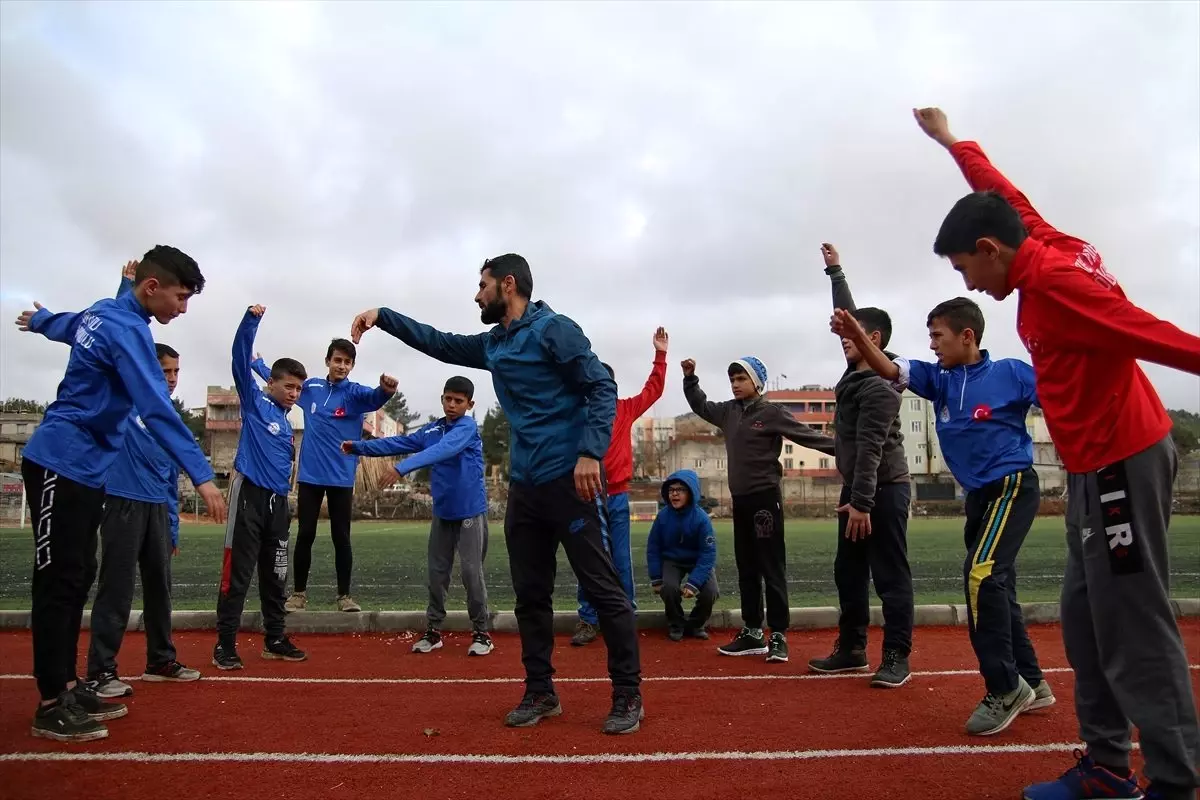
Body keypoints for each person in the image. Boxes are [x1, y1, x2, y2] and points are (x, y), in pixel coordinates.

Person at [915, 106, 1200, 800]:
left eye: (966, 268)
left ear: (990, 248)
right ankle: (1105, 767)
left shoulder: (1057, 284)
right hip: (1090, 469)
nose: (971, 284)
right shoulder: (1035, 238)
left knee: (1134, 625)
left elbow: (1157, 336)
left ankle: (1174, 780)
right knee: (1082, 618)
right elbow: (1005, 193)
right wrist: (955, 143)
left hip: (1121, 462)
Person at [348, 253, 643, 735]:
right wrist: (384, 316)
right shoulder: (495, 344)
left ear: (508, 285)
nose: (476, 294)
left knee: (603, 588)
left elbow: (602, 386)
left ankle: (628, 694)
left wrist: (590, 452)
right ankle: (540, 692)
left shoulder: (555, 330)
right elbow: (440, 343)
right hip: (526, 488)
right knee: (530, 596)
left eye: (482, 285)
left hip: (570, 482)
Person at [14, 247, 227, 743]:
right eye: (180, 296)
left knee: (80, 574)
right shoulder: (129, 332)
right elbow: (156, 408)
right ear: (152, 288)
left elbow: (71, 325)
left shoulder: (108, 311)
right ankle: (50, 704)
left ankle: (68, 685)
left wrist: (43, 318)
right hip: (58, 461)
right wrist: (201, 474)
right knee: (59, 581)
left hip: (89, 473)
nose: (183, 308)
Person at [831, 295, 1056, 734]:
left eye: (938, 335)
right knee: (997, 585)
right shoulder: (940, 381)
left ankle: (1004, 687)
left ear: (967, 336)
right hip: (978, 497)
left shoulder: (1010, 373)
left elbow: (1062, 398)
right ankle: (1032, 681)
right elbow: (889, 367)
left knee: (980, 575)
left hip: (1011, 486)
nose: (931, 344)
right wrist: (855, 331)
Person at [807, 244, 914, 689]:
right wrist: (836, 273)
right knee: (848, 571)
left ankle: (896, 657)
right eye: (846, 335)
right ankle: (851, 649)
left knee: (889, 573)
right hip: (858, 491)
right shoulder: (854, 374)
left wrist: (862, 503)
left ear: (879, 342)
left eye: (858, 336)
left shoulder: (880, 385)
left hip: (882, 491)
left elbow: (871, 447)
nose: (847, 339)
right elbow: (847, 317)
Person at [682, 354, 835, 664]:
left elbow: (809, 436)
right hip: (741, 500)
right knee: (747, 568)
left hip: (765, 500)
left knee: (771, 566)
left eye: (741, 379)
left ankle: (778, 635)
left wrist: (847, 449)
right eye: (733, 380)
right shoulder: (728, 412)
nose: (736, 385)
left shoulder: (772, 413)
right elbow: (700, 405)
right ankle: (753, 632)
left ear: (757, 382)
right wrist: (690, 378)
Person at [343, 376, 493, 657]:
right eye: (448, 399)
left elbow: (443, 450)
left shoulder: (467, 428)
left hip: (470, 512)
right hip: (443, 512)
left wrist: (403, 468)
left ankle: (482, 633)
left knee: (472, 573)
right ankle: (434, 631)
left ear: (469, 404)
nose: (451, 405)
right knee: (437, 574)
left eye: (458, 401)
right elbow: (400, 442)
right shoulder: (434, 429)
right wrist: (360, 447)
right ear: (442, 398)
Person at [250, 340, 396, 613]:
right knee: (305, 534)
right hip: (310, 476)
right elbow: (282, 381)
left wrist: (386, 390)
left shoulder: (355, 393)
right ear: (328, 360)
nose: (342, 366)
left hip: (342, 477)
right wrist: (257, 364)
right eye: (337, 360)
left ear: (352, 366)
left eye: (347, 362)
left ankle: (344, 596)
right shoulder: (311, 389)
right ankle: (298, 594)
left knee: (342, 536)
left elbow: (376, 397)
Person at [213, 305, 308, 670]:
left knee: (277, 573)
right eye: (289, 386)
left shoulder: (285, 423)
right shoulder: (255, 405)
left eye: (299, 388)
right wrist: (250, 321)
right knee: (236, 574)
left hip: (278, 505)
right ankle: (224, 644)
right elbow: (239, 360)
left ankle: (275, 638)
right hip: (249, 497)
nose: (295, 393)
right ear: (271, 383)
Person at [573, 327, 669, 647]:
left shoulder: (625, 409)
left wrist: (660, 355)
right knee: (589, 559)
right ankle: (588, 618)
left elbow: (652, 391)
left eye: (605, 385)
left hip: (616, 495)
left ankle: (624, 615)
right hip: (588, 496)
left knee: (620, 559)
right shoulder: (580, 414)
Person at [646, 470, 718, 640]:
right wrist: (656, 578)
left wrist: (694, 583)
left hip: (697, 561)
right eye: (671, 490)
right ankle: (676, 624)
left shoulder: (702, 519)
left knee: (711, 592)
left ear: (691, 492)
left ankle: (695, 624)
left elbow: (708, 554)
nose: (675, 494)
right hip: (672, 560)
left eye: (680, 490)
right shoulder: (662, 517)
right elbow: (653, 547)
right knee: (668, 588)